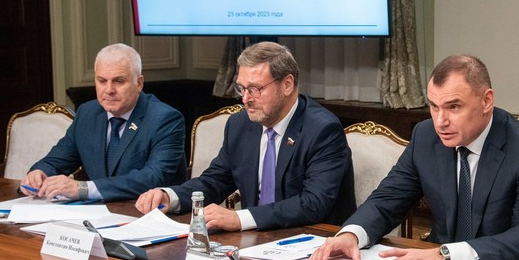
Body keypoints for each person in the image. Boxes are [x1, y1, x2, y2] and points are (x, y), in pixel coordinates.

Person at [308, 54, 519, 260]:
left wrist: (448, 256)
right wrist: (351, 234)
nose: (441, 121)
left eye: (453, 107)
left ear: (486, 101)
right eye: (434, 106)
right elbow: (387, 200)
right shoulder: (426, 136)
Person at [135, 42, 356, 232]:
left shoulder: (322, 129)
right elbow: (215, 181)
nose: (245, 99)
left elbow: (313, 204)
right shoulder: (240, 125)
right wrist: (170, 196)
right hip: (256, 240)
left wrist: (239, 218)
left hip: (313, 241)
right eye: (242, 89)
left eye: (255, 89)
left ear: (287, 84)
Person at [21, 44, 186, 201]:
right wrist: (39, 173)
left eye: (119, 81)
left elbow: (154, 177)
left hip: (148, 213)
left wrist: (83, 189)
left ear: (139, 83)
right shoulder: (88, 113)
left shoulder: (165, 119)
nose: (109, 90)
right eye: (102, 81)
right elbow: (57, 160)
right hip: (97, 213)